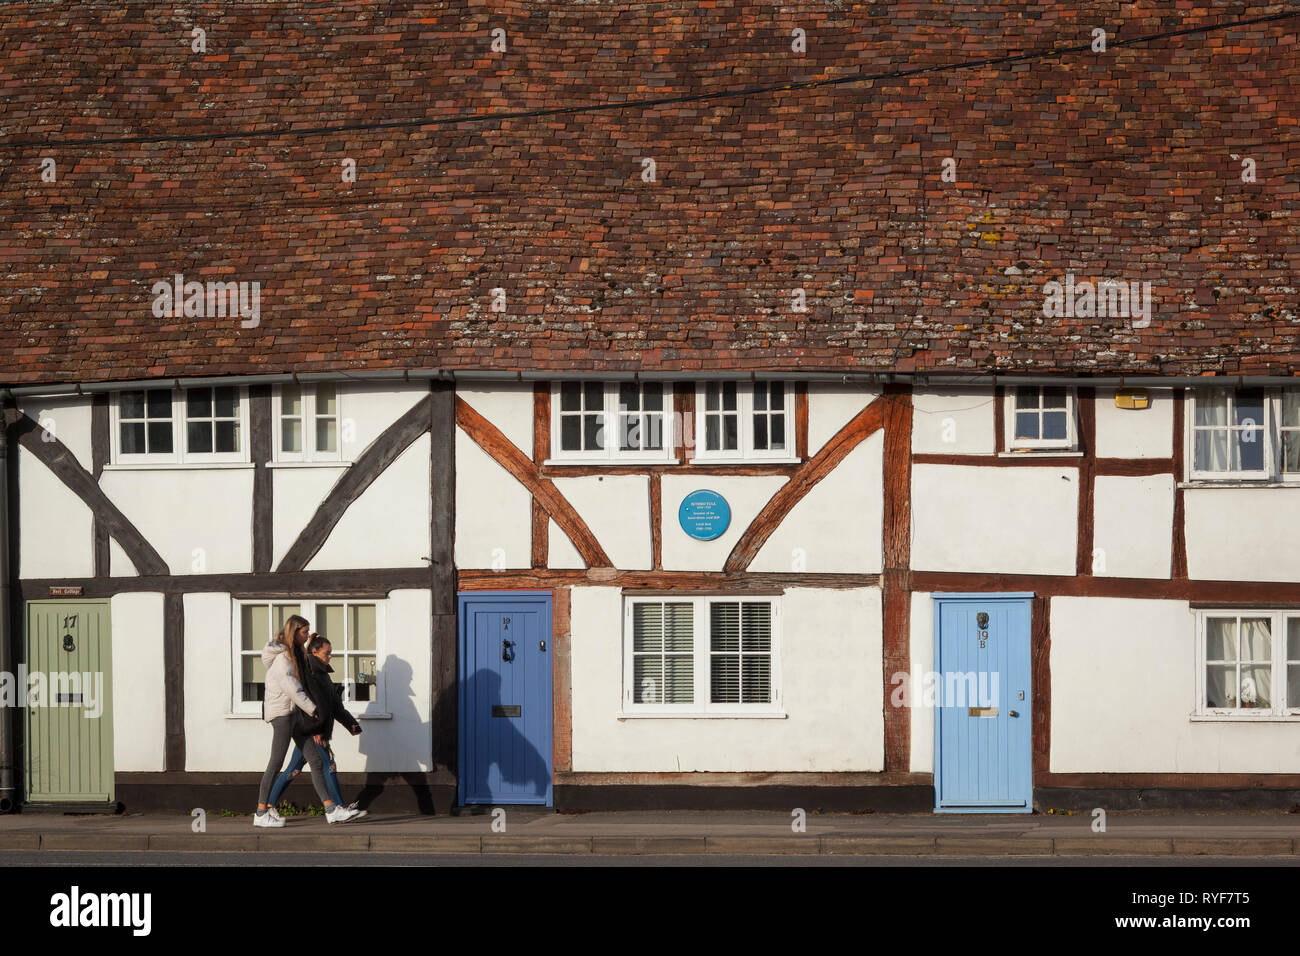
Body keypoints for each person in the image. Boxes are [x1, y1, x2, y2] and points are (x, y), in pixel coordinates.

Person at [255, 615, 360, 826]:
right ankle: (260, 813)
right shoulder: (283, 658)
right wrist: (314, 711)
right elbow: (292, 688)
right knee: (276, 763)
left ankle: (331, 810)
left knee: (316, 761)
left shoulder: (296, 656)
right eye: (304, 632)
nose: (307, 635)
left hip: (294, 714)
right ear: (294, 632)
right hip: (283, 715)